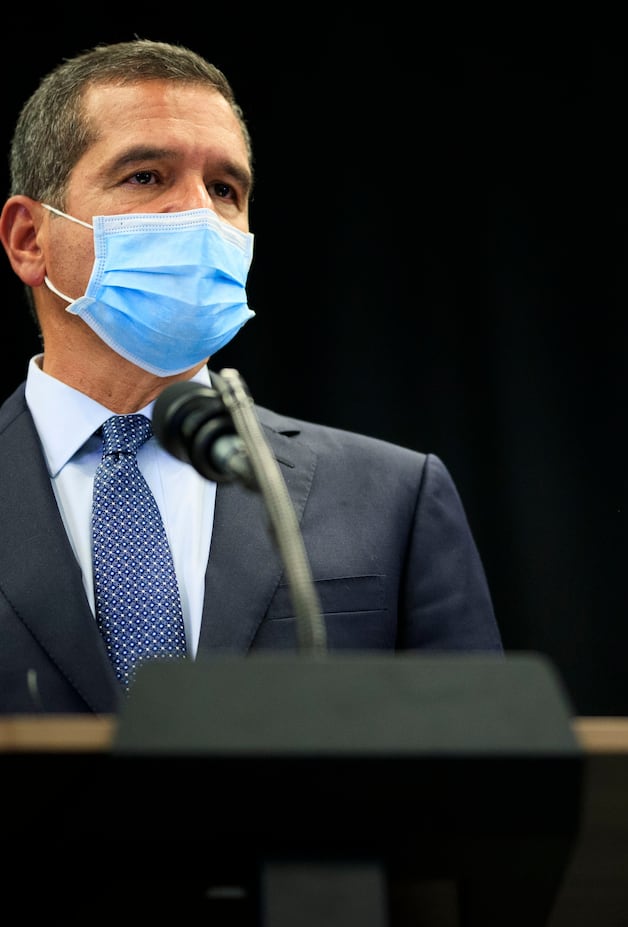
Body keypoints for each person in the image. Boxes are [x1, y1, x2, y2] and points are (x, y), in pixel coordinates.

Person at [0, 38, 502, 715]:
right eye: (147, 176)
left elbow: (481, 783)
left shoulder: (392, 497)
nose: (200, 215)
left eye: (225, 189)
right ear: (29, 239)